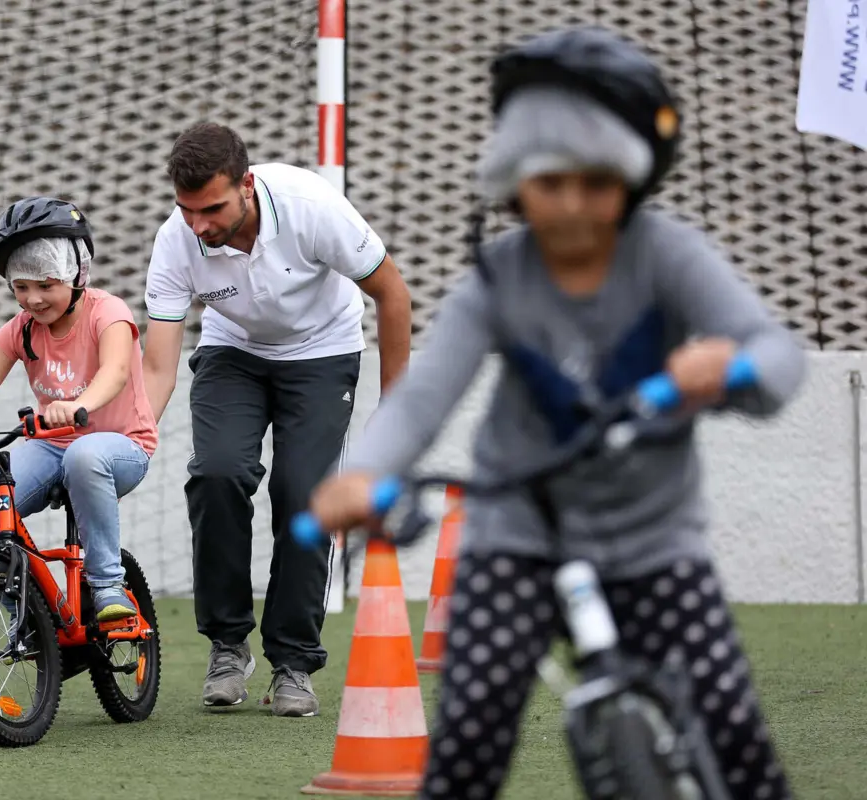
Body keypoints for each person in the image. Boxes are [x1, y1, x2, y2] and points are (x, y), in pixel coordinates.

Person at [305, 26, 802, 800]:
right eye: (549, 182)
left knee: (735, 735)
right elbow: (425, 395)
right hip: (517, 536)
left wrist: (731, 366)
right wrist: (366, 473)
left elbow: (777, 355)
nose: (572, 206)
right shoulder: (499, 276)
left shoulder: (667, 254)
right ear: (513, 182)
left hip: (654, 541)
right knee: (469, 741)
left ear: (631, 181)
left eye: (596, 183)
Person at [141, 122, 413, 716]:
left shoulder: (311, 207)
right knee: (217, 472)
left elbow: (393, 295)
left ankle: (292, 661)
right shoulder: (176, 240)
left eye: (212, 208)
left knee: (305, 496)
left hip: (321, 353)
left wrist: (396, 416)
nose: (200, 226)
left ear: (246, 184)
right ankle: (228, 644)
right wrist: (133, 434)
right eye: (187, 211)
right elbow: (158, 366)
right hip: (232, 352)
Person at [0, 197, 158, 623]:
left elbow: (114, 373)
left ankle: (108, 584)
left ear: (78, 274)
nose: (33, 299)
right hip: (51, 446)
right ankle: (29, 605)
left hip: (120, 447)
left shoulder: (107, 312)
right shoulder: (19, 331)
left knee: (85, 454)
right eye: (21, 287)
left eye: (46, 284)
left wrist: (78, 406)